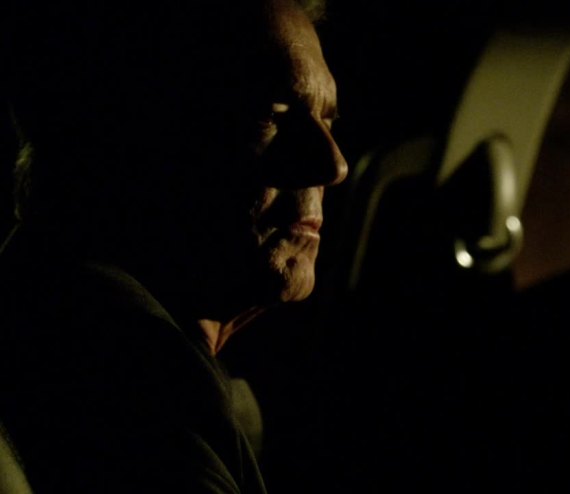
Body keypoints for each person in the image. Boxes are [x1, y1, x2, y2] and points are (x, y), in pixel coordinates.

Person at [0, 0, 347, 491]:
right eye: (270, 115)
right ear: (125, 135)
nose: (334, 165)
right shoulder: (114, 373)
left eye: (327, 121)